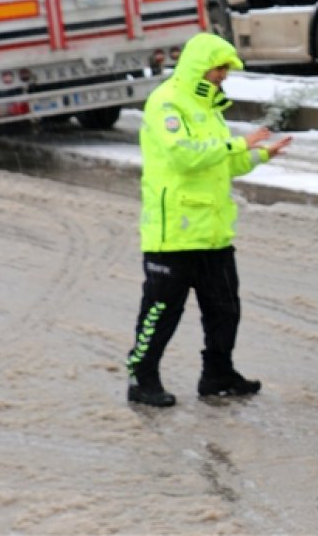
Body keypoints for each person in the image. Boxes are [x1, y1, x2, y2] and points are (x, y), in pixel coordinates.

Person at [125, 32, 292, 407]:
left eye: (226, 69)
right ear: (201, 66)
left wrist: (262, 156)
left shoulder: (209, 109)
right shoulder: (166, 103)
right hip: (174, 233)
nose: (223, 75)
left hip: (213, 233)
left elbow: (223, 162)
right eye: (219, 68)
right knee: (161, 312)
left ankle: (217, 374)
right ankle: (142, 377)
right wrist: (239, 144)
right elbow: (185, 155)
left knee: (225, 310)